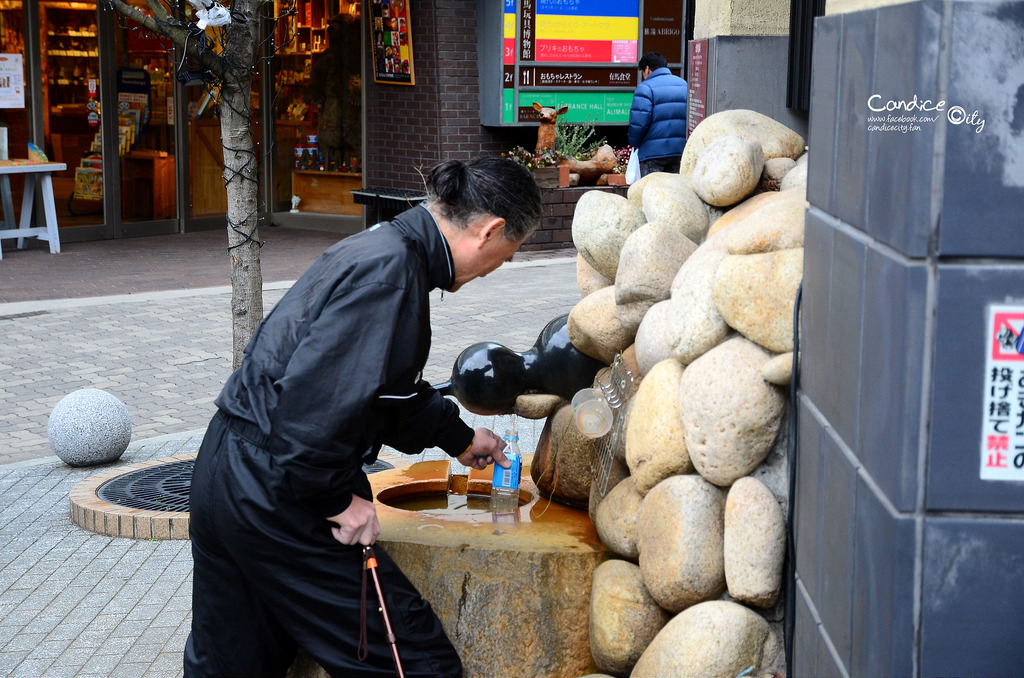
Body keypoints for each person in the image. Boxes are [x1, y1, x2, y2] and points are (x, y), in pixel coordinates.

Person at [184, 156, 543, 678]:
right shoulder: (391, 273)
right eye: (505, 257)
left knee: (231, 664)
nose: (495, 270)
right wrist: (337, 502)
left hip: (225, 468)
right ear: (489, 231)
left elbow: (379, 391)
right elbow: (313, 412)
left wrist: (459, 438)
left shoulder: (382, 247)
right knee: (414, 662)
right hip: (276, 490)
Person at [627, 51, 688, 177]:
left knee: (652, 192)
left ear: (647, 69)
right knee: (674, 191)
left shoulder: (645, 88)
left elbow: (639, 123)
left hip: (652, 153)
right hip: (678, 151)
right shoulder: (684, 85)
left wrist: (634, 144)